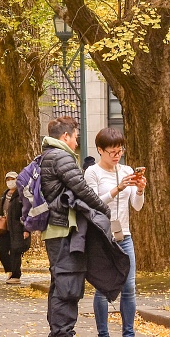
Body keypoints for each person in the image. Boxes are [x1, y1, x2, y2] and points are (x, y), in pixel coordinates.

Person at [40, 116, 111, 337]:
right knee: (68, 283)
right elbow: (82, 189)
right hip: (62, 228)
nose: (76, 142)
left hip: (54, 228)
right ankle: (63, 332)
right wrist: (104, 209)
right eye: (75, 137)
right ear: (65, 136)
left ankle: (59, 331)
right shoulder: (61, 157)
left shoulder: (48, 156)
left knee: (60, 283)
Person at [85, 127, 146, 337]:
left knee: (129, 286)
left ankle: (128, 333)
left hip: (124, 235)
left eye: (120, 151)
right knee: (103, 287)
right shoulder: (92, 172)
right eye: (112, 152)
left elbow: (137, 206)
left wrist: (139, 190)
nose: (117, 156)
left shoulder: (127, 170)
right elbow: (94, 204)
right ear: (100, 150)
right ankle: (103, 333)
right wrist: (117, 189)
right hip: (102, 237)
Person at [0, 170, 29, 285]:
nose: (10, 182)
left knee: (15, 251)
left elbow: (26, 211)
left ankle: (16, 275)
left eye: (12, 179)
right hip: (5, 227)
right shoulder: (5, 194)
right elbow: (0, 210)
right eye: (8, 179)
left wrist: (26, 228)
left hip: (17, 227)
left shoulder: (21, 194)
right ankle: (9, 270)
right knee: (2, 249)